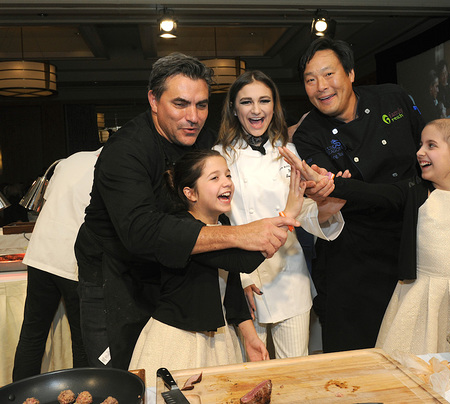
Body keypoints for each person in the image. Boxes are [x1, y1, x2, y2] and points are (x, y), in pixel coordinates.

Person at [75, 53, 297, 370]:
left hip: (169, 278)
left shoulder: (202, 141)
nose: (193, 116)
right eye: (180, 104)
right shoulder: (125, 152)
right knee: (120, 377)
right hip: (114, 276)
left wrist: (241, 319)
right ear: (154, 100)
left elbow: (213, 225)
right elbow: (141, 233)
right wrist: (241, 234)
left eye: (202, 105)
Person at [282, 119, 450, 354]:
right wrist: (328, 183)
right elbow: (368, 192)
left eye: (431, 145)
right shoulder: (414, 192)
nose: (419, 152)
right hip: (421, 298)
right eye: (420, 144)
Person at [291, 37, 425, 353]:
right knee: (353, 354)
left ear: (350, 73)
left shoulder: (394, 97)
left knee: (415, 346)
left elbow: (428, 149)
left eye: (328, 74)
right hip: (354, 253)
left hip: (412, 236)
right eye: (310, 80)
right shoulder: (309, 134)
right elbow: (331, 192)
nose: (320, 86)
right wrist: (326, 188)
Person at [214, 70, 345, 359]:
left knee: (295, 374)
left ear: (275, 106)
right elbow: (218, 225)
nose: (257, 110)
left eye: (264, 100)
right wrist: (241, 281)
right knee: (248, 374)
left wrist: (327, 208)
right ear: (234, 109)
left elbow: (302, 210)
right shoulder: (218, 157)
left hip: (290, 277)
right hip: (245, 277)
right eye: (246, 102)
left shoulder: (290, 152)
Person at [129, 150, 273, 386]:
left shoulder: (222, 224)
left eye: (227, 175)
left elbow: (232, 287)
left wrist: (250, 337)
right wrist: (288, 214)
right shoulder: (182, 229)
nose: (227, 182)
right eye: (214, 178)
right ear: (190, 193)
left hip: (218, 339)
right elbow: (242, 262)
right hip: (179, 341)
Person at [12, 149, 100, 381]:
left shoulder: (71, 160)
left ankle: (19, 395)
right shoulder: (111, 168)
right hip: (73, 262)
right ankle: (83, 392)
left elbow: (49, 201)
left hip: (41, 254)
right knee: (81, 339)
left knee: (32, 334)